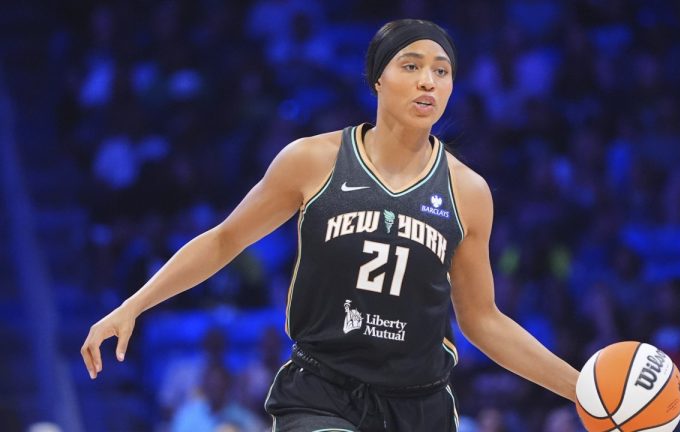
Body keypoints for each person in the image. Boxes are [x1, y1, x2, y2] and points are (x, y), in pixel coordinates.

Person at [81, 19, 579, 431]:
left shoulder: (469, 192)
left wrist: (581, 389)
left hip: (420, 406)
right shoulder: (311, 161)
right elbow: (225, 240)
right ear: (377, 79)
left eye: (442, 71)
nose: (429, 81)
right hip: (323, 392)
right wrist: (134, 304)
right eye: (412, 66)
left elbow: (482, 319)